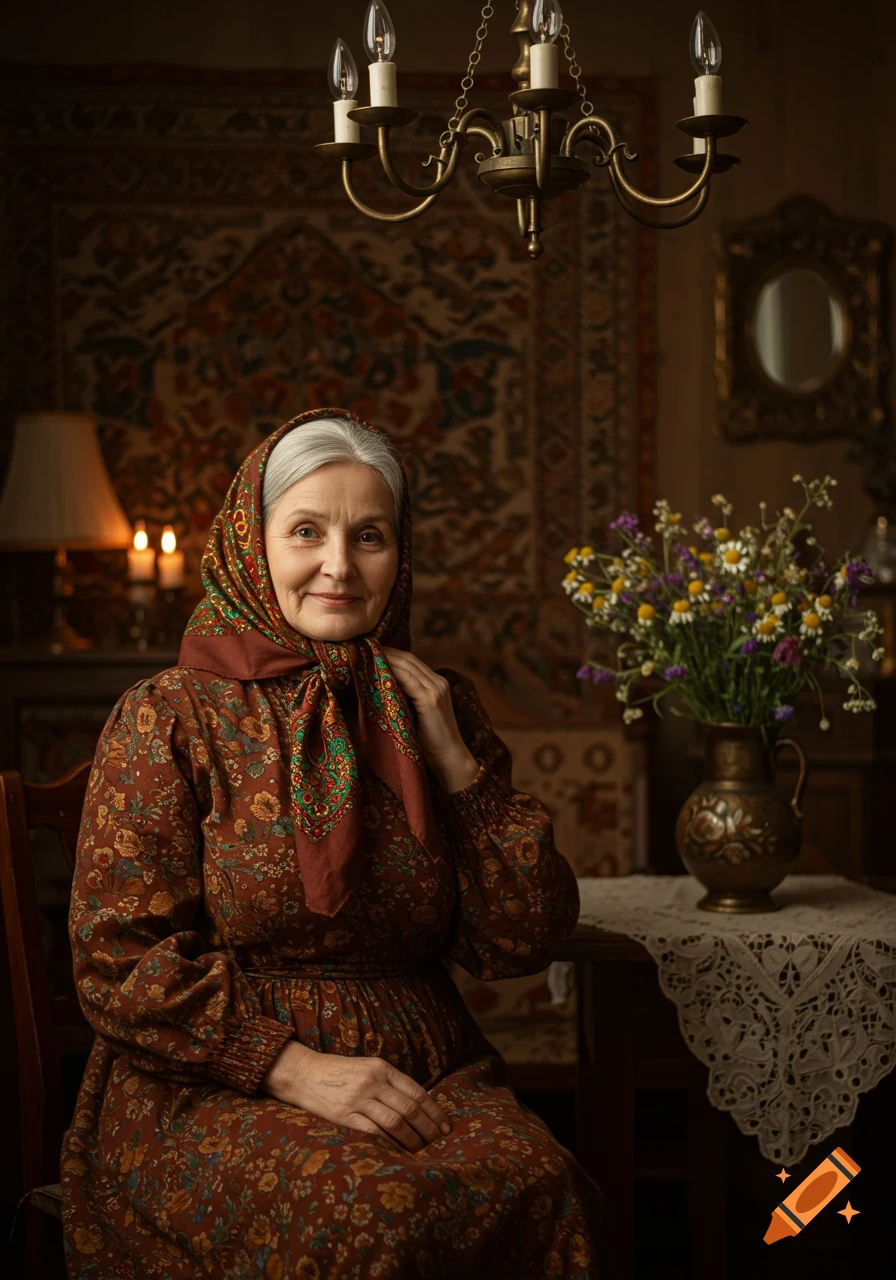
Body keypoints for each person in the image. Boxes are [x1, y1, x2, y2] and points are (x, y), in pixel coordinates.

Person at [62, 409, 602, 1278]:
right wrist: (294, 1069)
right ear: (253, 542)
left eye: (371, 536)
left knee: (543, 1184)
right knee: (371, 1218)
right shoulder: (170, 716)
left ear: (402, 554)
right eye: (307, 531)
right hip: (211, 1083)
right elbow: (116, 963)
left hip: (425, 1068)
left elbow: (521, 941)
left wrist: (457, 762)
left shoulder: (432, 704)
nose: (340, 566)